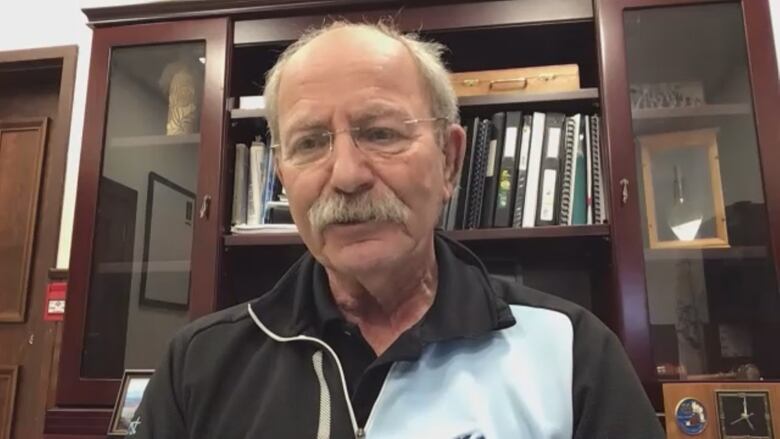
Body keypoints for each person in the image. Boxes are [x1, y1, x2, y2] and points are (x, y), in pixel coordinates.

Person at [129, 21, 664, 439]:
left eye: (381, 133)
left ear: (450, 162)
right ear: (283, 175)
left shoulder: (570, 353)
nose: (346, 176)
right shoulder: (198, 366)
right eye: (311, 143)